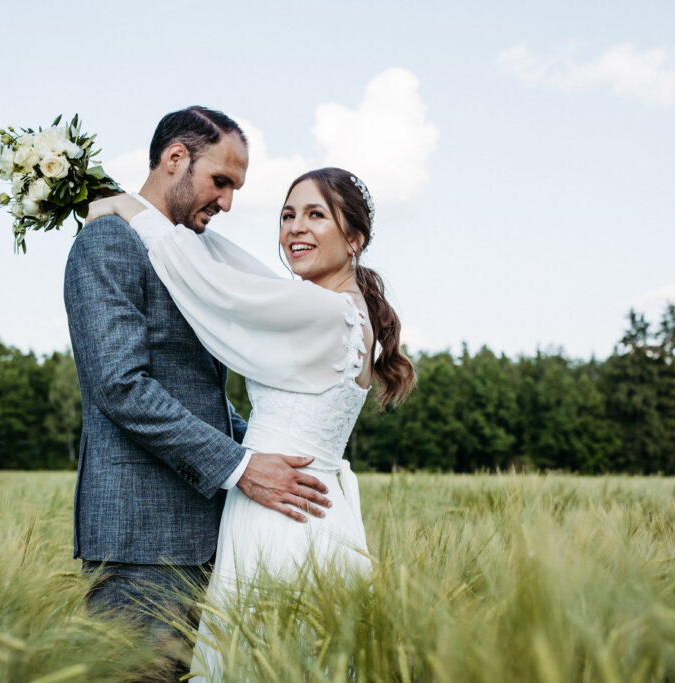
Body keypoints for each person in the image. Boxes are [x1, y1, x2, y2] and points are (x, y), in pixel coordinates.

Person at [86, 166, 416, 679]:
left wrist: (131, 210)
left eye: (315, 215)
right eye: (287, 215)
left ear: (354, 238)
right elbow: (240, 269)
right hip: (310, 507)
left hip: (279, 520)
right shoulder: (342, 307)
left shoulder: (324, 311)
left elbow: (218, 287)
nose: (295, 228)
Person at [63, 106, 334, 682]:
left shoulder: (184, 252)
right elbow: (121, 386)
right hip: (141, 544)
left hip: (214, 539)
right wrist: (241, 465)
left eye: (235, 187)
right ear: (175, 159)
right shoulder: (108, 243)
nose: (228, 203)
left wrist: (269, 441)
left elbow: (200, 391)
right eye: (221, 182)